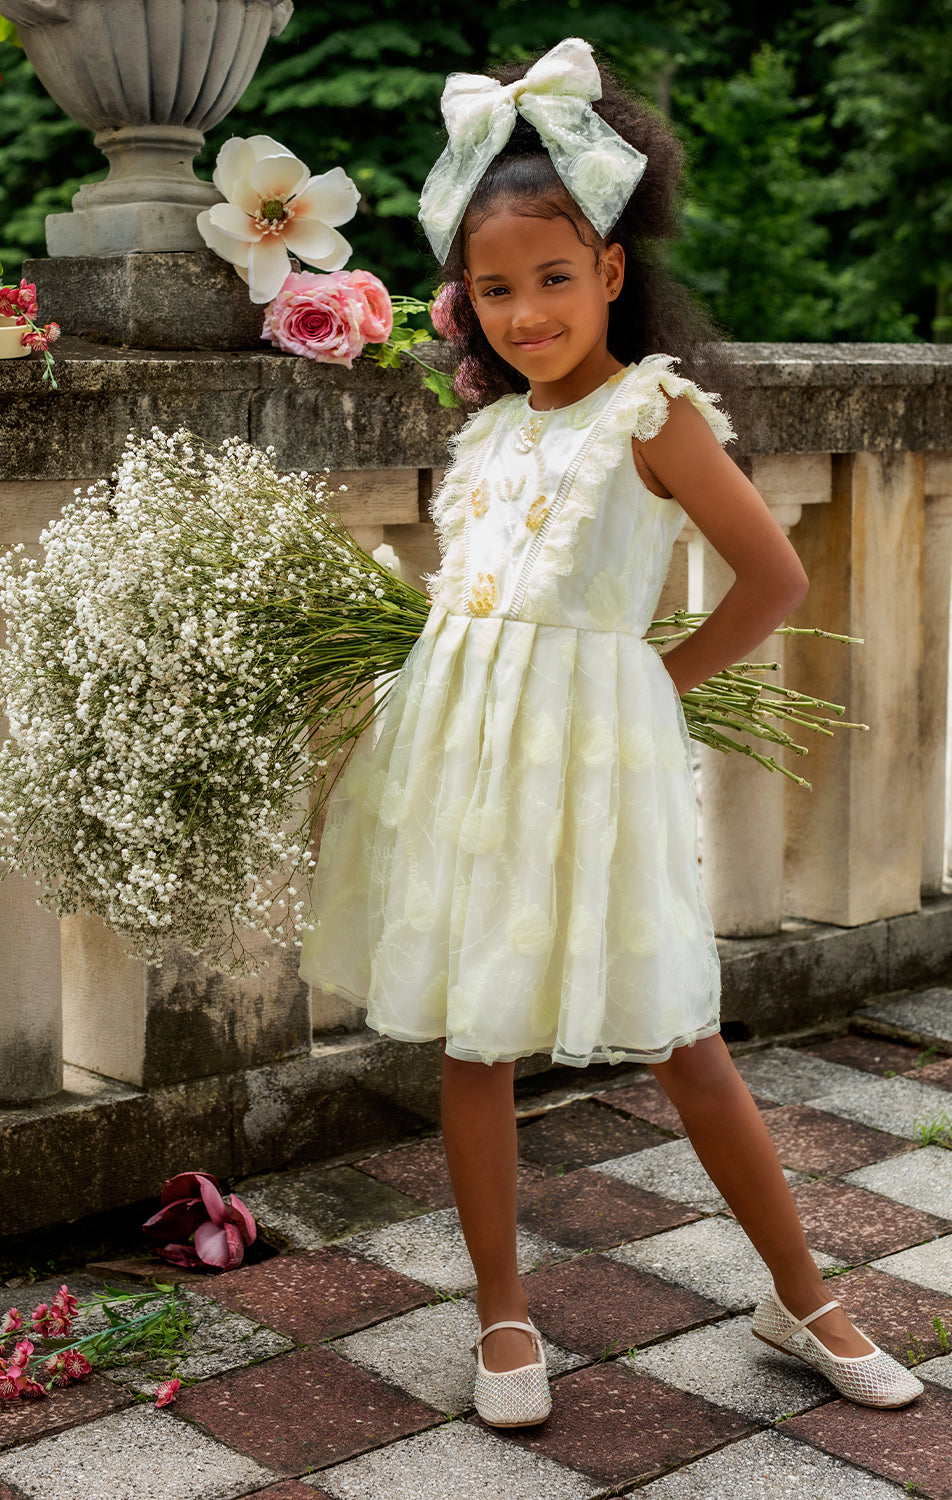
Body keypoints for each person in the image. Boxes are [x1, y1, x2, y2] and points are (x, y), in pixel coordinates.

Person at [298, 36, 923, 1426]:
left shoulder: (653, 417)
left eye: (555, 280)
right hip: (463, 761)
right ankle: (504, 1314)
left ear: (613, 277)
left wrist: (655, 689)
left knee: (680, 1035)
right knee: (475, 1037)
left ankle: (801, 1294)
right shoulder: (492, 431)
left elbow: (777, 580)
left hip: (595, 769)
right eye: (498, 288)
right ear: (467, 299)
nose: (528, 313)